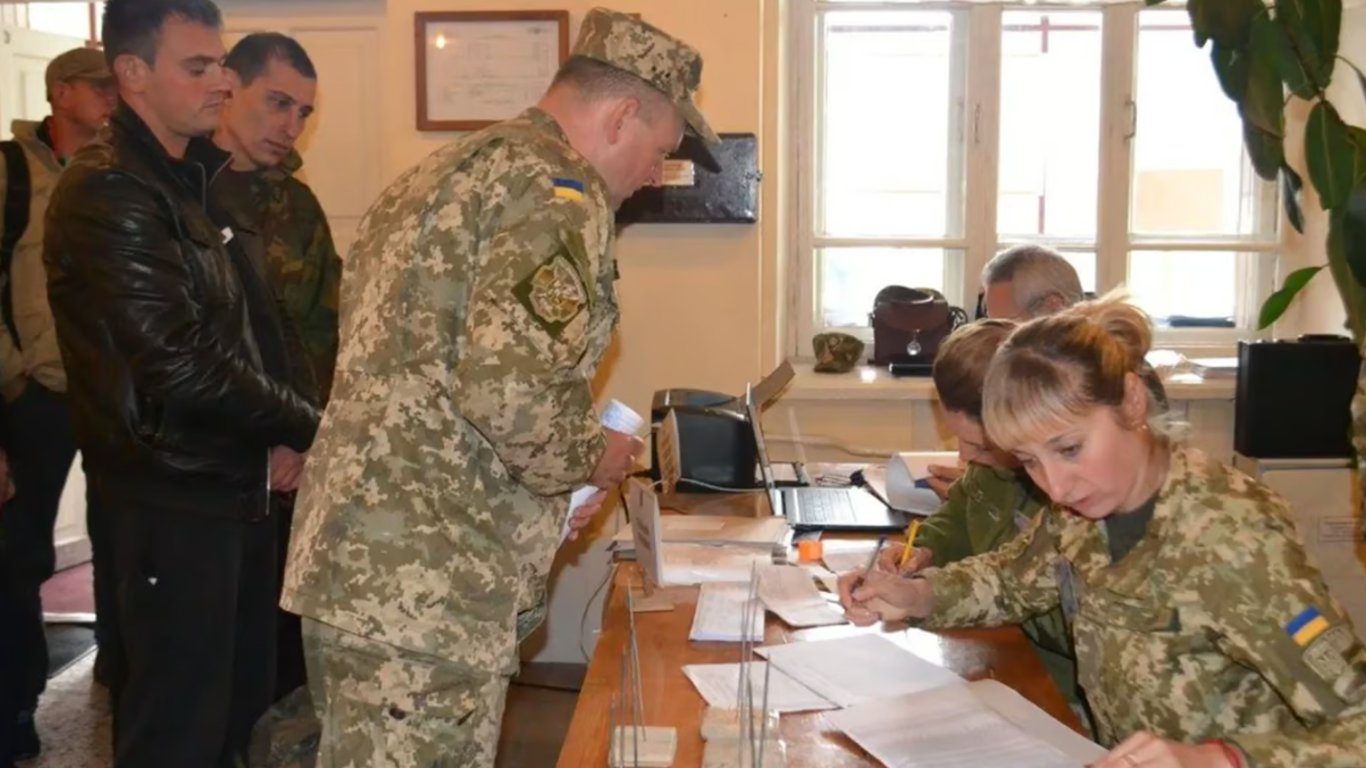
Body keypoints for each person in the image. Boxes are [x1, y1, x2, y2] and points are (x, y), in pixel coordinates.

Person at [280, 7, 719, 766]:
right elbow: (513, 396)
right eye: (660, 150)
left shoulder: (442, 172)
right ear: (621, 116)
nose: (655, 174)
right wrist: (594, 456)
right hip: (432, 585)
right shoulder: (557, 193)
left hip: (360, 562)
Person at [840, 296, 1366, 768]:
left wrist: (1219, 759)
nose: (1056, 485)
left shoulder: (1234, 539)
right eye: (1030, 462)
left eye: (1069, 449)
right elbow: (1010, 580)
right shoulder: (1082, 509)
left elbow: (1357, 723)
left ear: (1132, 402)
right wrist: (916, 595)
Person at [43, 1, 321, 764]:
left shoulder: (192, 178)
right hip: (169, 497)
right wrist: (306, 424)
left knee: (237, 718)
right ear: (132, 73)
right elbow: (179, 361)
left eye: (220, 63)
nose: (220, 81)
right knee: (178, 729)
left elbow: (252, 329)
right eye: (197, 66)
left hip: (229, 481)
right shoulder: (111, 189)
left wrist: (280, 435)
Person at [215, 30, 342, 701]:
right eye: (277, 102)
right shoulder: (183, 191)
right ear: (228, 86)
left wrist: (309, 436)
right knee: (205, 661)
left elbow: (326, 331)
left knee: (284, 650)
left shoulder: (296, 205)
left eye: (304, 112)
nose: (291, 125)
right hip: (211, 460)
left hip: (295, 462)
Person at [879, 318, 1083, 720]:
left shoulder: (1064, 491)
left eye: (980, 445)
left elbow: (1025, 590)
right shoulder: (992, 469)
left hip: (1053, 683)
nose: (965, 456)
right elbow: (959, 514)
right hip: (994, 652)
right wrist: (924, 549)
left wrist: (930, 594)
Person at [0, 47, 114, 759]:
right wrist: (12, 377)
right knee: (19, 559)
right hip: (34, 395)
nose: (112, 98)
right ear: (61, 92)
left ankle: (122, 677)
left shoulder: (116, 172)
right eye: (99, 87)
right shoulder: (11, 173)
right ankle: (16, 706)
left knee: (127, 541)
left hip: (106, 393)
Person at [925, 244, 1086, 498]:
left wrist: (984, 494)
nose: (1000, 343)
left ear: (1054, 307)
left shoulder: (1095, 385)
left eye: (1010, 326)